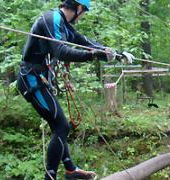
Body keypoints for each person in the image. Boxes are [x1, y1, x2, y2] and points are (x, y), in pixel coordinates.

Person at [17, 0, 133, 179]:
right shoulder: (53, 18)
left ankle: (70, 169)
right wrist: (92, 55)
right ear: (78, 7)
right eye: (84, 11)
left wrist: (116, 54)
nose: (83, 15)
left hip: (38, 80)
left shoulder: (64, 24)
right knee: (61, 126)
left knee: (59, 126)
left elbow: (83, 41)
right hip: (31, 79)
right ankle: (52, 176)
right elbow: (61, 51)